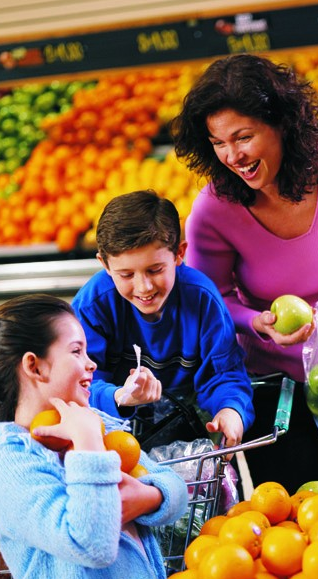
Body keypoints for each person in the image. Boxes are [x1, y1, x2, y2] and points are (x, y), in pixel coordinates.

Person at [171, 54, 318, 493]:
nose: (232, 156)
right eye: (218, 143)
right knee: (290, 511)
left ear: (281, 123)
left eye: (243, 137)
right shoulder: (213, 208)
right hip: (271, 386)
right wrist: (255, 323)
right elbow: (210, 297)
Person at [0, 294, 188, 579]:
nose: (92, 363)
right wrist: (87, 445)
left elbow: (177, 491)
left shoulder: (95, 425)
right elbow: (90, 544)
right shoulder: (8, 463)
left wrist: (149, 496)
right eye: (76, 351)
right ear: (34, 366)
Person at [71, 190, 255, 450]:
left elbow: (224, 374)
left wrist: (230, 411)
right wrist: (119, 396)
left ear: (179, 254)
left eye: (155, 270)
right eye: (126, 275)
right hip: (111, 443)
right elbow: (77, 382)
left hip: (191, 439)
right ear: (104, 264)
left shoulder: (202, 300)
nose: (144, 287)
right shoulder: (92, 306)